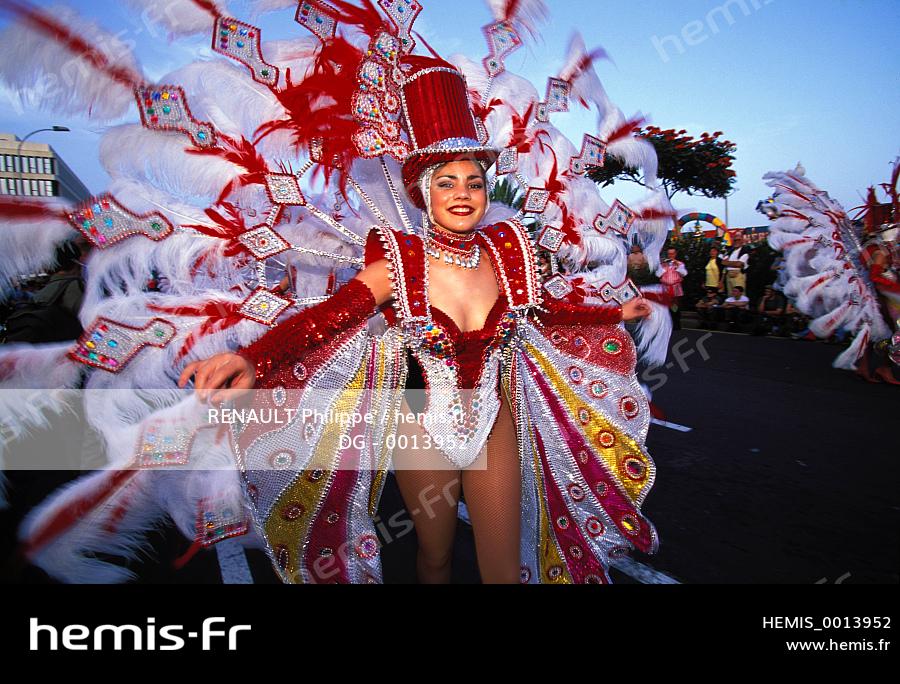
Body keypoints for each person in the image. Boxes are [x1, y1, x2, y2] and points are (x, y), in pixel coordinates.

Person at [179, 59, 656, 585]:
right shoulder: (399, 262)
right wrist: (253, 358)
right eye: (446, 182)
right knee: (436, 558)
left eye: (474, 183)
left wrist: (615, 311)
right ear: (424, 192)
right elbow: (328, 320)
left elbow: (545, 311)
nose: (462, 194)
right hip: (420, 425)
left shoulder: (506, 249)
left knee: (501, 568)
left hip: (494, 423)